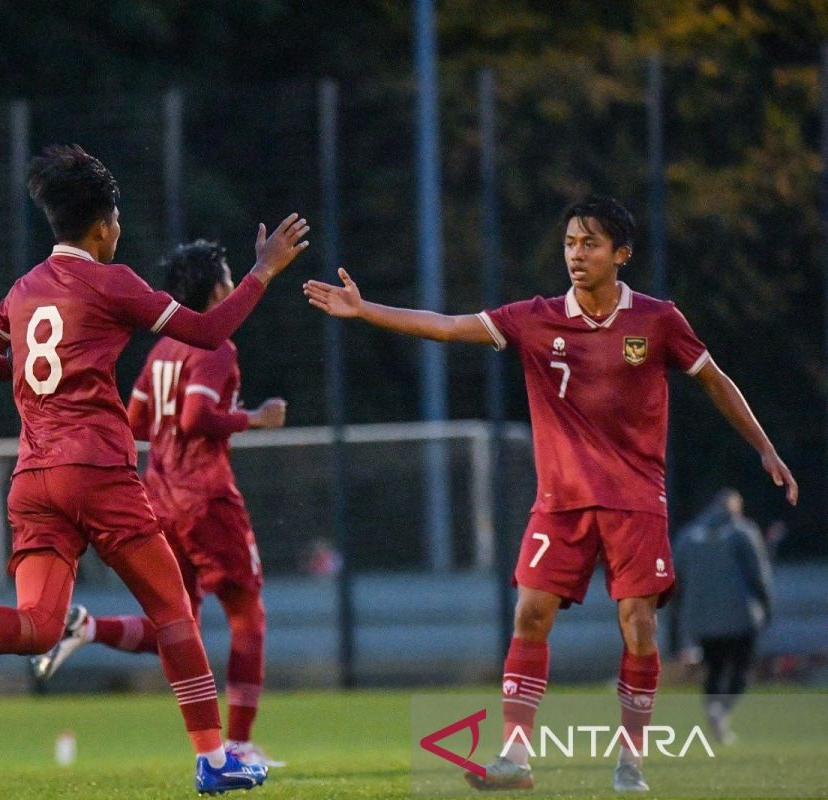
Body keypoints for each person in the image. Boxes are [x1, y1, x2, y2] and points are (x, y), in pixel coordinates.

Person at [304, 196, 798, 793]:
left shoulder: (657, 320)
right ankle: (514, 757)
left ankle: (631, 760)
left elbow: (716, 382)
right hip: (560, 501)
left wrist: (765, 447)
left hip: (635, 500)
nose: (576, 255)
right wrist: (366, 311)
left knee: (637, 626)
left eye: (590, 244)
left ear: (623, 254)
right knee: (530, 614)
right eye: (570, 243)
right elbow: (448, 326)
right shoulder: (534, 317)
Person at [0, 144, 309, 794]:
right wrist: (263, 271)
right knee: (174, 610)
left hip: (33, 479)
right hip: (97, 470)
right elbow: (207, 329)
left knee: (37, 627)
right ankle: (215, 758)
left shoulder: (22, 290)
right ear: (103, 226)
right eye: (117, 223)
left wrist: (32, 374)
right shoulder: (113, 282)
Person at [28, 240, 287, 768]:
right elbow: (195, 418)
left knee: (178, 623)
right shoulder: (216, 347)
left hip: (161, 501)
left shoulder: (164, 348)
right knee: (248, 617)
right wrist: (253, 418)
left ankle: (88, 627)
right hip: (206, 498)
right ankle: (237, 744)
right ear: (218, 287)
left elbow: (137, 422)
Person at [673, 488, 774, 745]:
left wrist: (680, 626)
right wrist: (766, 607)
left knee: (714, 669)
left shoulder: (687, 537)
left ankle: (715, 712)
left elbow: (675, 584)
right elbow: (758, 575)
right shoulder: (743, 533)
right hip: (740, 616)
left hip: (701, 620)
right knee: (742, 668)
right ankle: (722, 709)